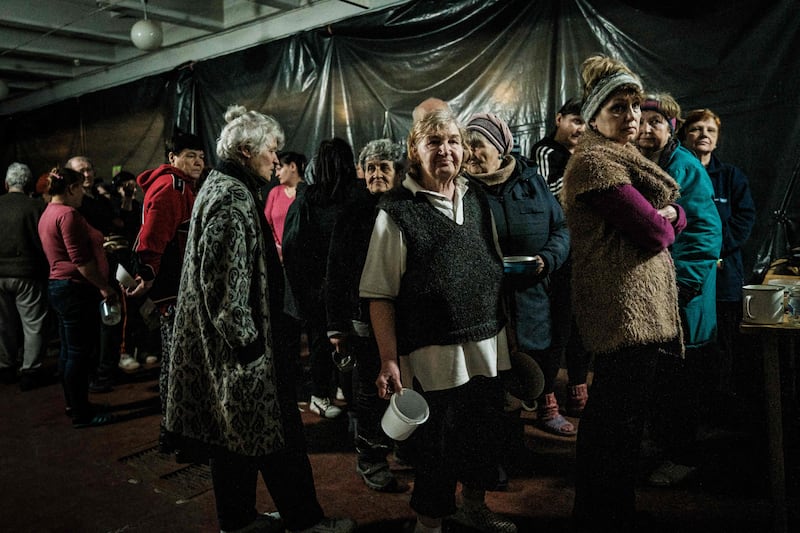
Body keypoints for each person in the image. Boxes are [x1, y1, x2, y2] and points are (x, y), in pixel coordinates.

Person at [165, 104, 356, 533]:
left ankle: (238, 520)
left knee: (232, 438)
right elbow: (223, 285)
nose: (276, 158)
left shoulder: (224, 186)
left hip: (230, 351)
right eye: (271, 150)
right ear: (247, 150)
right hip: (243, 352)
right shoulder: (233, 199)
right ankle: (303, 522)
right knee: (276, 436)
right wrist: (249, 345)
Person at [361, 109, 517, 533]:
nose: (445, 149)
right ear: (415, 151)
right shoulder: (395, 213)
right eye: (433, 142)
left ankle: (474, 507)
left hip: (487, 345)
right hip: (432, 357)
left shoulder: (479, 199)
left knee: (483, 437)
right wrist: (389, 360)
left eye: (452, 140)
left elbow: (494, 268)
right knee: (438, 450)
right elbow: (380, 295)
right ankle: (428, 525)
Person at [562, 55, 687, 532]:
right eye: (618, 108)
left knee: (623, 420)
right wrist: (670, 218)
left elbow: (673, 216)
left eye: (635, 107)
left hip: (636, 309)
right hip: (621, 311)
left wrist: (670, 217)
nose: (632, 117)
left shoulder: (625, 157)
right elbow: (655, 231)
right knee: (613, 420)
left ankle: (614, 510)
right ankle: (599, 515)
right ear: (593, 116)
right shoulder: (595, 162)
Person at [464, 113, 572, 437]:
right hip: (484, 301)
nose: (469, 153)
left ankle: (530, 425)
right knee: (490, 384)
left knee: (533, 365)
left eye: (477, 145)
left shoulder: (531, 181)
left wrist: (547, 259)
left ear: (499, 148)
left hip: (532, 294)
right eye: (465, 145)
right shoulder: (461, 190)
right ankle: (497, 458)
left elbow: (561, 227)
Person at [636, 94, 723, 487]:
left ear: (671, 128)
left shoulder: (683, 166)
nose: (648, 128)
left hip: (682, 299)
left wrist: (682, 289)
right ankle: (662, 448)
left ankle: (682, 459)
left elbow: (705, 234)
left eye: (658, 122)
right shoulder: (640, 164)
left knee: (679, 383)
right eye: (644, 120)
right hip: (654, 297)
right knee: (659, 382)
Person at [326, 138, 407, 492]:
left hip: (405, 316)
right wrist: (336, 326)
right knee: (369, 393)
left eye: (383, 167)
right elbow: (336, 271)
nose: (376, 174)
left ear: (398, 171)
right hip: (361, 316)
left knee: (405, 383)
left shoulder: (408, 206)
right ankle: (371, 459)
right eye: (371, 168)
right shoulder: (352, 212)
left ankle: (404, 446)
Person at [127, 129, 205, 451]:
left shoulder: (180, 185)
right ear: (172, 158)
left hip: (173, 290)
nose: (198, 162)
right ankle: (178, 436)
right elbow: (152, 237)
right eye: (190, 156)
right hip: (174, 291)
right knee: (180, 362)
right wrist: (147, 271)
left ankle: (173, 433)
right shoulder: (172, 186)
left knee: (176, 360)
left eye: (201, 156)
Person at [677, 108, 757, 400]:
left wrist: (714, 251)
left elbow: (744, 218)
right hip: (688, 277)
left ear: (718, 138)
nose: (703, 135)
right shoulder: (677, 173)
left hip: (725, 279)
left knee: (722, 344)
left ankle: (720, 404)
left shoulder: (731, 176)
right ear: (684, 135)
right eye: (696, 129)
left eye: (710, 130)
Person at [283, 138, 361, 419]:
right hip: (351, 288)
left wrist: (307, 288)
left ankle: (321, 394)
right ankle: (342, 396)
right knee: (351, 342)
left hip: (317, 288)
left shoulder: (309, 199)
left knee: (321, 341)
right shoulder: (357, 196)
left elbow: (292, 246)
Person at [38, 167, 118, 428]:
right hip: (74, 288)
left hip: (60, 287)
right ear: (71, 188)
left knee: (69, 350)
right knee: (78, 353)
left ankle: (75, 403)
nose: (84, 194)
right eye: (81, 188)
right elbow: (81, 261)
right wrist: (104, 287)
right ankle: (81, 413)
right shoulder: (68, 214)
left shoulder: (49, 212)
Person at [530, 98, 592, 418]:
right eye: (575, 121)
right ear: (559, 119)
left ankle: (578, 386)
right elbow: (552, 197)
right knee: (559, 326)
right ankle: (546, 396)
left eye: (586, 122)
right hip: (557, 254)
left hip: (586, 253)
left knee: (582, 326)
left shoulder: (585, 153)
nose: (581, 129)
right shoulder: (545, 152)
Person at [0, 162, 49, 391]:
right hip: (28, 274)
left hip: (0, 274)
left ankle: (5, 366)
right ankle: (30, 370)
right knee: (33, 324)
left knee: (3, 324)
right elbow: (43, 243)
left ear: (7, 183)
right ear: (28, 183)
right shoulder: (36, 207)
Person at [264, 151, 307, 261]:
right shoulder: (274, 193)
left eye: (279, 169)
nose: (276, 174)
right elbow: (265, 225)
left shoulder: (308, 193)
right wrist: (278, 248)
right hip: (278, 257)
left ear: (292, 166)